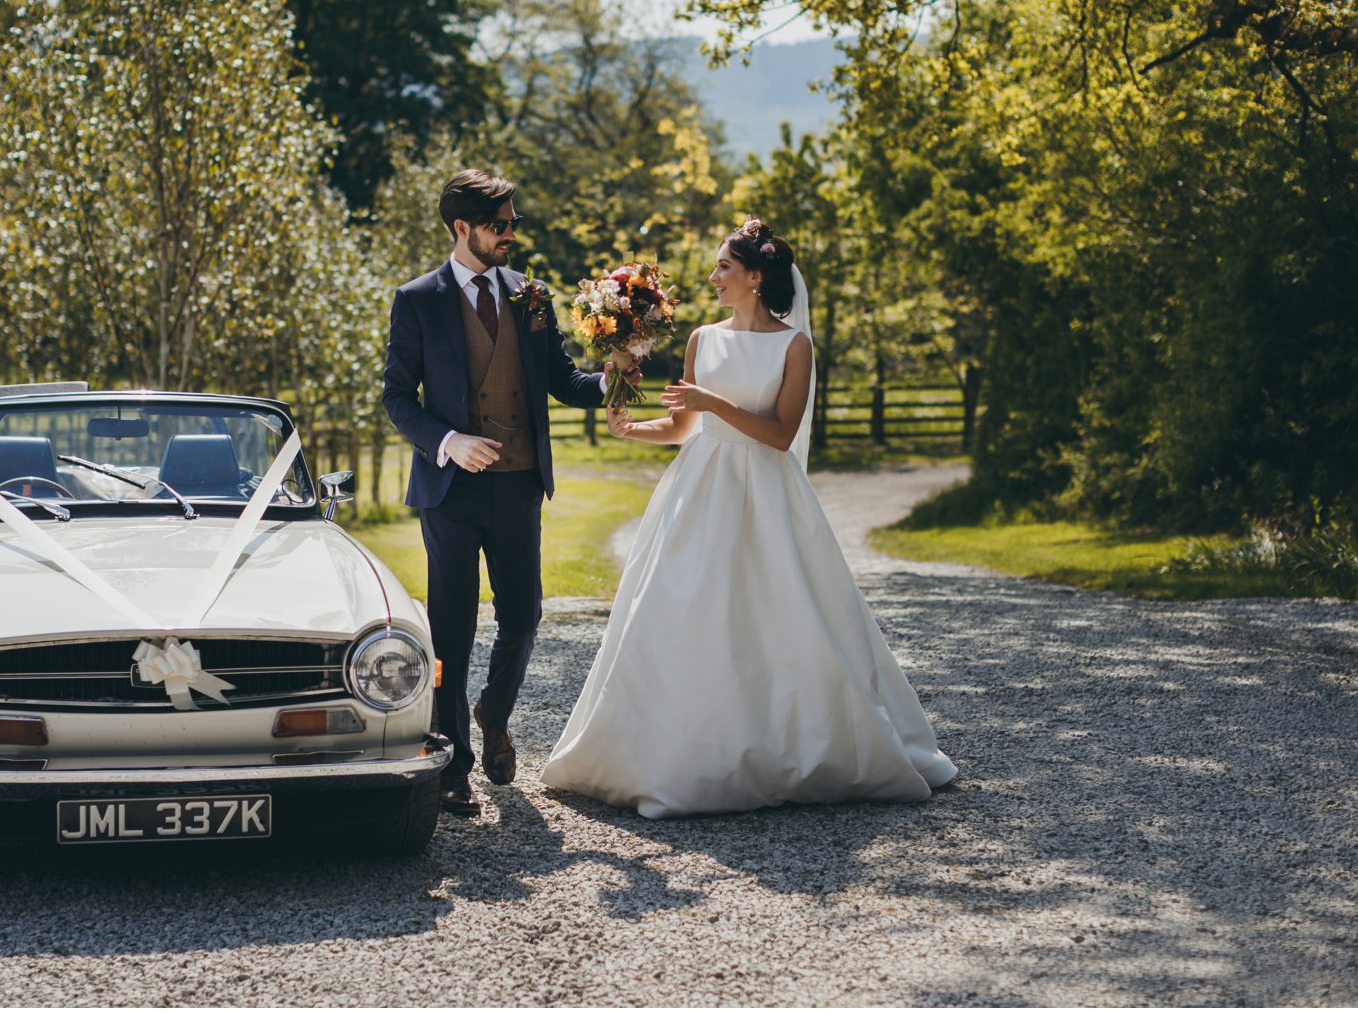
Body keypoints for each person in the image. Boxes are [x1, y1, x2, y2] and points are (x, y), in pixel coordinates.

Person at [541, 219, 958, 818]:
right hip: (699, 488)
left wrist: (712, 401)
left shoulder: (795, 346)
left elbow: (780, 433)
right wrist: (636, 430)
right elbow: (687, 428)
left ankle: (791, 745)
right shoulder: (702, 340)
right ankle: (672, 749)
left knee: (783, 609)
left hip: (766, 493)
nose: (713, 278)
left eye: (723, 269)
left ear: (756, 278)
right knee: (683, 608)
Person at [382, 169, 631, 817]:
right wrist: (448, 442)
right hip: (451, 493)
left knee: (523, 619)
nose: (511, 235)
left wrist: (612, 373)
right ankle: (452, 766)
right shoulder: (418, 300)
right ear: (462, 228)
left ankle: (493, 713)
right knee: (453, 630)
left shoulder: (532, 296)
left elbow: (562, 381)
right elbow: (395, 398)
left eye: (514, 223)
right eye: (500, 225)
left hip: (519, 485)